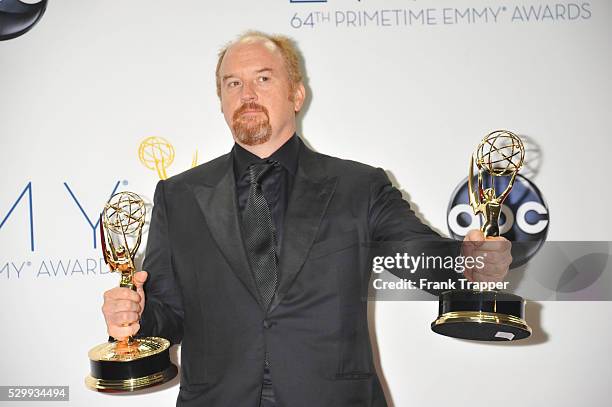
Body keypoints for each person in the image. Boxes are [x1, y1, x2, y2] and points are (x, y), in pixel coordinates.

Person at [101, 31, 512, 407]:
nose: (247, 94)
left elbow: (423, 259)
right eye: (233, 83)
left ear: (296, 94)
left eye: (263, 79)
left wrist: (470, 263)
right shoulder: (179, 196)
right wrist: (133, 320)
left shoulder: (359, 186)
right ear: (221, 101)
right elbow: (166, 313)